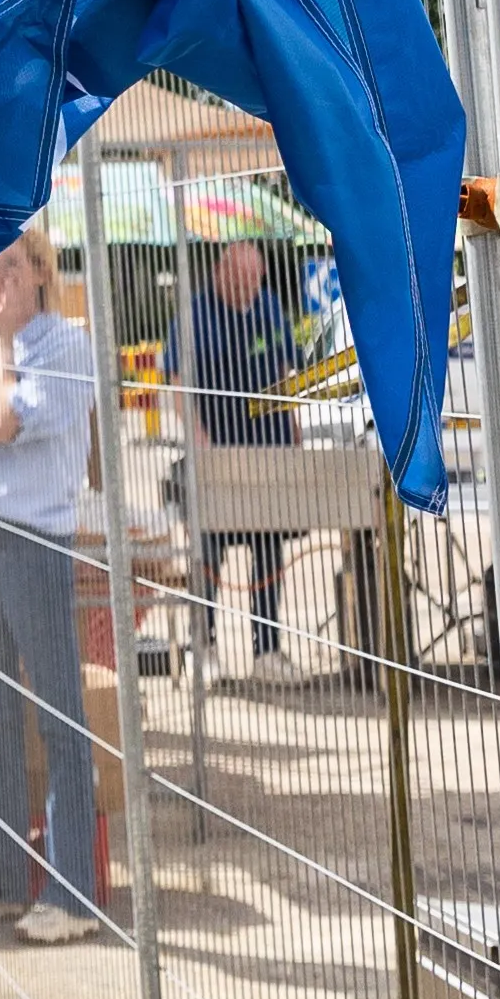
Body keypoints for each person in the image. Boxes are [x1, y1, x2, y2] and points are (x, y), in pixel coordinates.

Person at [0, 220, 100, 944]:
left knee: (58, 712)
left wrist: (4, 346)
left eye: (8, 265)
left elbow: (8, 420)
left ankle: (71, 892)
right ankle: (1, 878)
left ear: (39, 271)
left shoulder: (63, 347)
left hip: (35, 537)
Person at [185, 239, 303, 680]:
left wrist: (295, 430)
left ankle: (267, 650)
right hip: (217, 453)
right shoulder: (195, 315)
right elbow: (178, 379)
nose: (248, 291)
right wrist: (199, 441)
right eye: (241, 281)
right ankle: (206, 647)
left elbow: (291, 374)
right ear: (219, 273)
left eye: (256, 282)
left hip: (267, 452)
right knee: (209, 552)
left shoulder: (270, 308)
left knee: (270, 550)